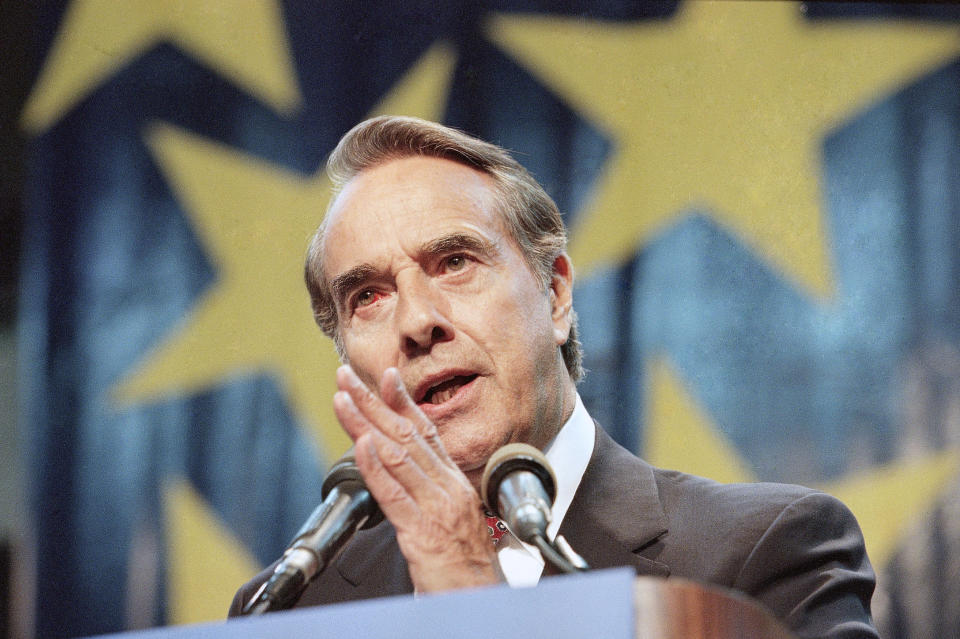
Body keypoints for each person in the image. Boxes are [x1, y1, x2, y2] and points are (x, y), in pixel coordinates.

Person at [230, 116, 878, 638]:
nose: (417, 321)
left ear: (557, 294)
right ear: (347, 359)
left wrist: (473, 607)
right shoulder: (291, 609)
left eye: (454, 261)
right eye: (367, 296)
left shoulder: (761, 554)